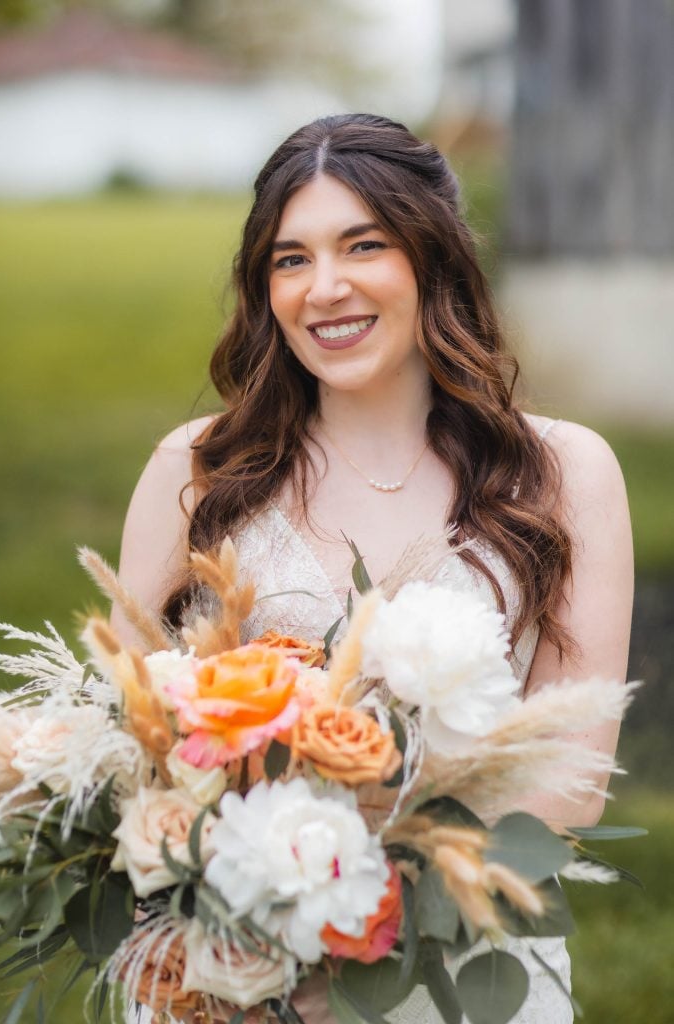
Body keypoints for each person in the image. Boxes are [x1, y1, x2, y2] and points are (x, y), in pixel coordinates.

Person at [113, 114, 633, 1024]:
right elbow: (135, 754)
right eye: (289, 258)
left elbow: (573, 783)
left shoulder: (562, 474)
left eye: (363, 245)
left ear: (430, 259)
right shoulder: (193, 476)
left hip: (460, 965)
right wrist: (258, 904)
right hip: (240, 967)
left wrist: (347, 897)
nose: (325, 288)